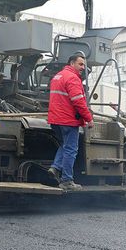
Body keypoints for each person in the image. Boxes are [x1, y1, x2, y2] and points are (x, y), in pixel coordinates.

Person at [46, 53, 94, 191]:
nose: (83, 67)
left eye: (84, 65)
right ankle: (66, 180)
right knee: (71, 149)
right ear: (72, 63)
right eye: (80, 64)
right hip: (68, 120)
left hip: (55, 120)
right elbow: (78, 101)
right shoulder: (73, 78)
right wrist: (88, 119)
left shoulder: (58, 76)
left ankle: (55, 168)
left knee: (65, 145)